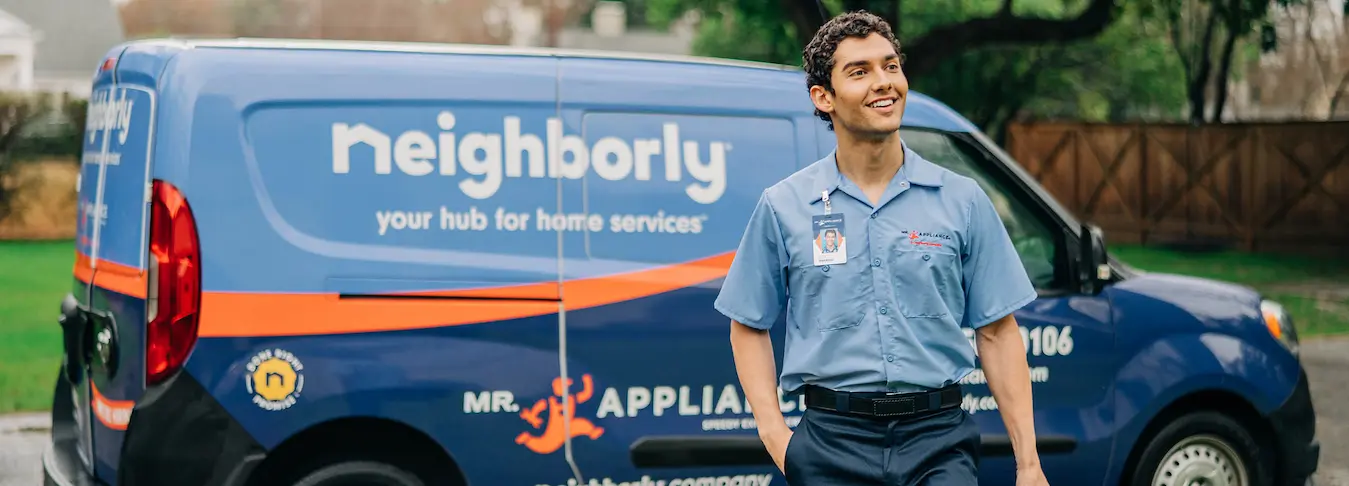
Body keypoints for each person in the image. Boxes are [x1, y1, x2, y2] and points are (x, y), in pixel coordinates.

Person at [714, 10, 1050, 486]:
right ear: (823, 97)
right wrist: (776, 435)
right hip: (830, 443)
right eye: (860, 71)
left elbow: (997, 331)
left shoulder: (962, 200)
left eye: (891, 66)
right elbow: (747, 325)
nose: (884, 82)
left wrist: (1029, 464)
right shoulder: (784, 206)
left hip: (938, 440)